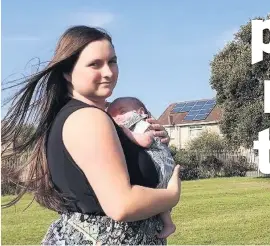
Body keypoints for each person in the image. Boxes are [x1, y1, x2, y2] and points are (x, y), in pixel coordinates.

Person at [1, 25, 181, 245]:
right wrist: (172, 195)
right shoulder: (89, 120)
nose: (108, 72)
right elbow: (121, 205)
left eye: (112, 61)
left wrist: (154, 148)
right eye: (94, 64)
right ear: (67, 72)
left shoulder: (83, 116)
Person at [106, 96, 176, 238]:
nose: (117, 117)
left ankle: (168, 224)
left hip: (161, 168)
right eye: (112, 115)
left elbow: (146, 140)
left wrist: (125, 132)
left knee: (158, 196)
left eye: (122, 111)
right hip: (161, 173)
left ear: (140, 111)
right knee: (160, 201)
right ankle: (168, 224)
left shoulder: (141, 123)